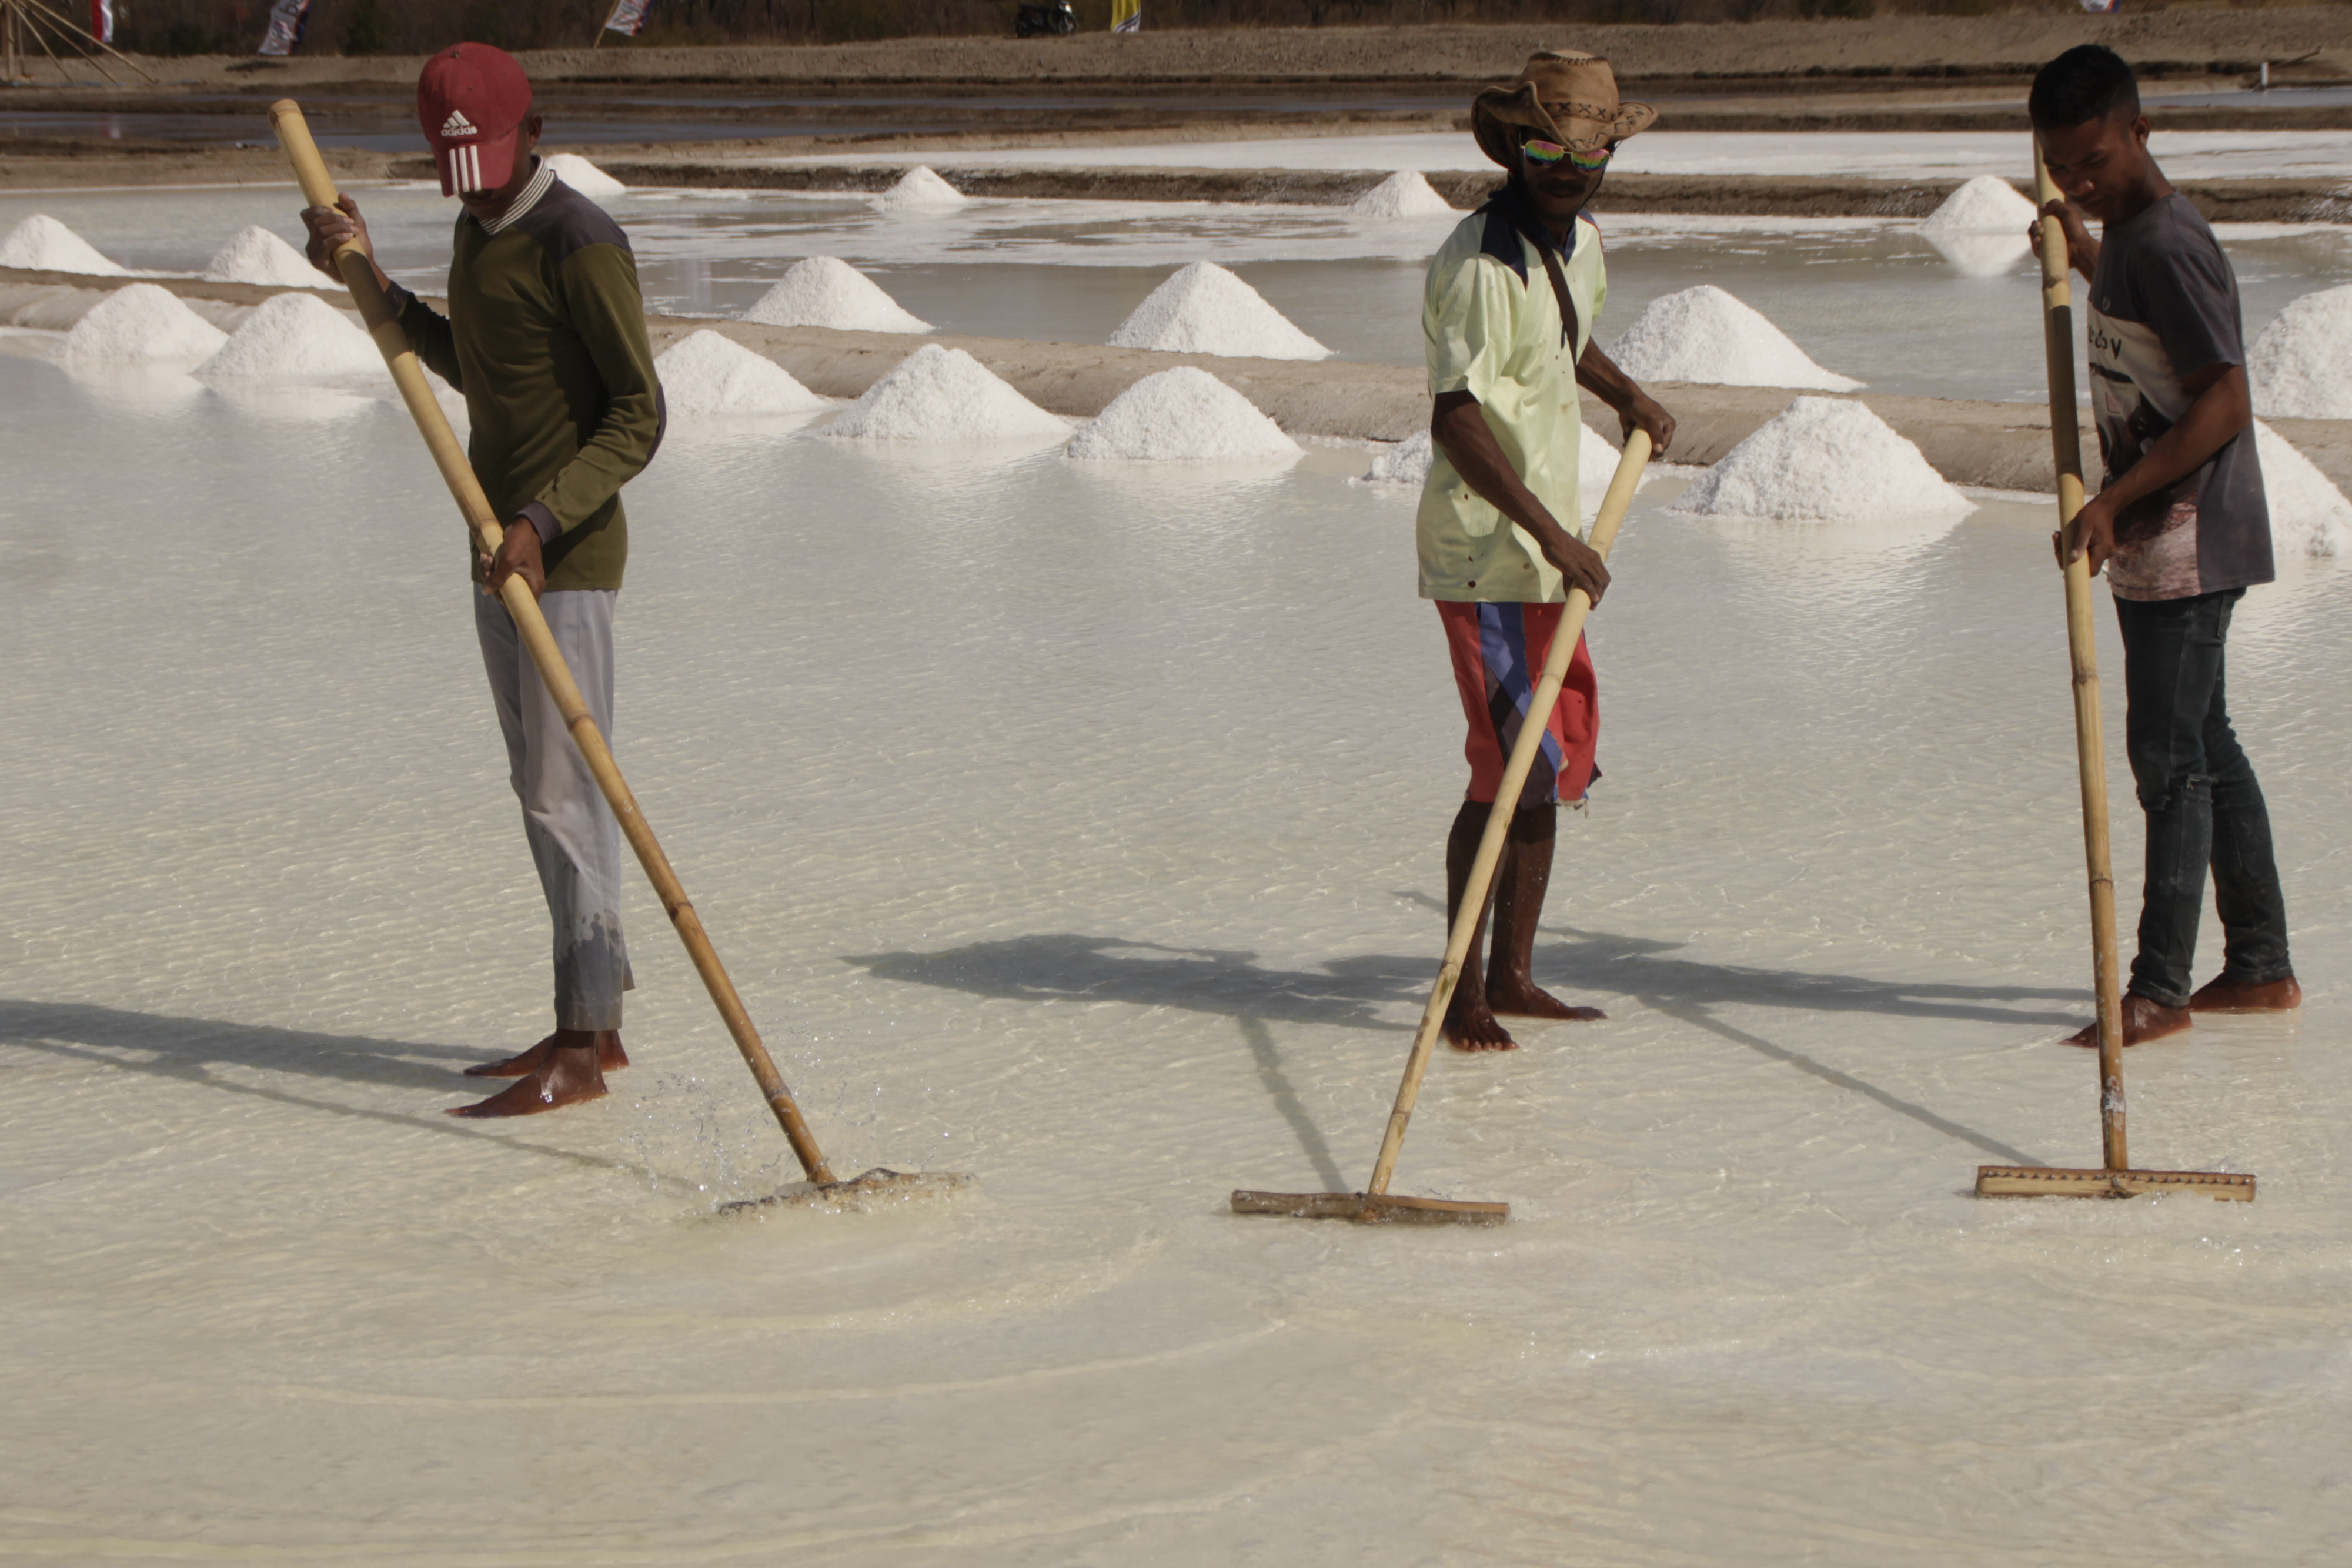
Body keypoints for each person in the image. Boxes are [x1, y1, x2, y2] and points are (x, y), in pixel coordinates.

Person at [302, 42, 666, 1114]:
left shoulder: (580, 240)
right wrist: (364, 273)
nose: (481, 183)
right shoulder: (480, 226)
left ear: (536, 129)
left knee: (565, 792)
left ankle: (582, 1042)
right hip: (496, 543)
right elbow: (477, 364)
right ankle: (593, 1027)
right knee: (541, 790)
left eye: (496, 160)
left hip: (566, 554)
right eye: (461, 167)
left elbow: (638, 415)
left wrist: (544, 518)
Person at [2029, 44, 2298, 1047]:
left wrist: (2111, 503)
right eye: (2063, 167)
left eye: (2095, 162)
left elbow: (2224, 399)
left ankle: (2159, 989)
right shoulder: (2131, 241)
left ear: (2143, 133)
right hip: (2160, 535)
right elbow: (2143, 333)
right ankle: (2263, 968)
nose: (2081, 182)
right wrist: (2078, 247)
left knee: (2167, 761)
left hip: (2187, 535)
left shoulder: (2172, 240)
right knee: (2206, 747)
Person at [1419, 51, 1676, 1051]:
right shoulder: (1482, 264)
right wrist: (1552, 533)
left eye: (1586, 152)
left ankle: (1514, 976)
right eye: (1546, 148)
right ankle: (1462, 996)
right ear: (1515, 149)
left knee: (1550, 756)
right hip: (1490, 551)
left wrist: (1628, 398)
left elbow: (1566, 344)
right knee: (1505, 766)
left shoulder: (1579, 245)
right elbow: (1456, 418)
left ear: (1608, 157)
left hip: (1544, 554)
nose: (1566, 168)